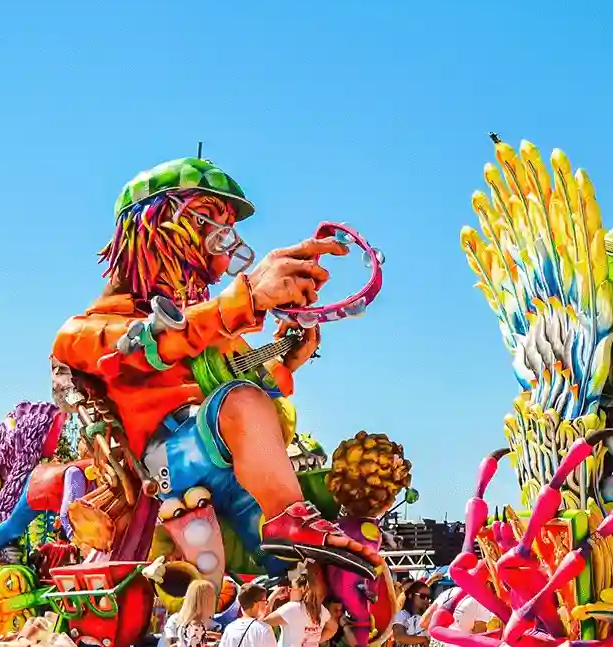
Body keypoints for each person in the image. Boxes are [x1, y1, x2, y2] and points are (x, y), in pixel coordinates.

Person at [50, 156, 387, 576]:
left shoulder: (211, 331)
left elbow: (246, 382)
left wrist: (288, 359)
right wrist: (246, 298)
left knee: (316, 570)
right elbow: (149, 348)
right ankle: (284, 522)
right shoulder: (84, 330)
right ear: (152, 228)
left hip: (232, 470)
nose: (222, 258)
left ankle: (294, 551)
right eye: (207, 222)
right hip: (169, 463)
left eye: (228, 234)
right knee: (241, 401)